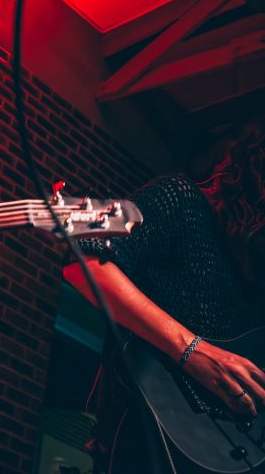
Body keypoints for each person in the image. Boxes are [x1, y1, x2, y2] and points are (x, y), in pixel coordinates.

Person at [63, 123, 265, 473]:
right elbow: (85, 262)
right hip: (152, 437)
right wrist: (191, 350)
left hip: (233, 451)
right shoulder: (180, 198)